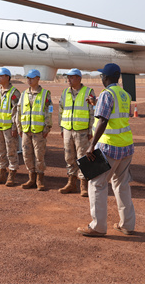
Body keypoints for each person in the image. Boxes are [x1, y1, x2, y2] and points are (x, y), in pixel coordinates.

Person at [77, 63, 136, 237]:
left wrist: (91, 145)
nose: (101, 78)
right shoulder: (124, 94)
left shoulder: (107, 94)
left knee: (97, 184)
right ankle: (127, 225)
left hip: (109, 146)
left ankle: (98, 227)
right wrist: (96, 103)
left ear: (106, 78)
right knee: (122, 185)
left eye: (102, 76)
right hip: (126, 146)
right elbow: (117, 114)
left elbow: (103, 120)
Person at [58, 68, 96, 196]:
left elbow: (92, 112)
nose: (68, 79)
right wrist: (62, 128)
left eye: (71, 77)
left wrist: (91, 129)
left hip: (82, 131)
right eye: (68, 77)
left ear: (79, 78)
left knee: (83, 157)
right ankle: (71, 183)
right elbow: (61, 111)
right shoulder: (65, 92)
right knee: (69, 157)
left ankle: (83, 185)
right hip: (68, 129)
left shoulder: (88, 92)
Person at [17, 69, 53, 191]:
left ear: (38, 79)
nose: (29, 80)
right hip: (26, 130)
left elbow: (49, 110)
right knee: (27, 155)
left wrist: (47, 126)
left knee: (39, 155)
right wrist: (19, 127)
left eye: (32, 78)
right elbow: (19, 111)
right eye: (28, 78)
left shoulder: (45, 94)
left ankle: (40, 179)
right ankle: (31, 178)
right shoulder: (24, 94)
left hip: (39, 131)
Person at [0, 67, 21, 186]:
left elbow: (16, 112)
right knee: (0, 151)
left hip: (8, 128)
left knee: (11, 151)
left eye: (1, 76)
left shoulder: (14, 92)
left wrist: (15, 127)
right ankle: (1, 174)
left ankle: (12, 174)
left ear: (7, 77)